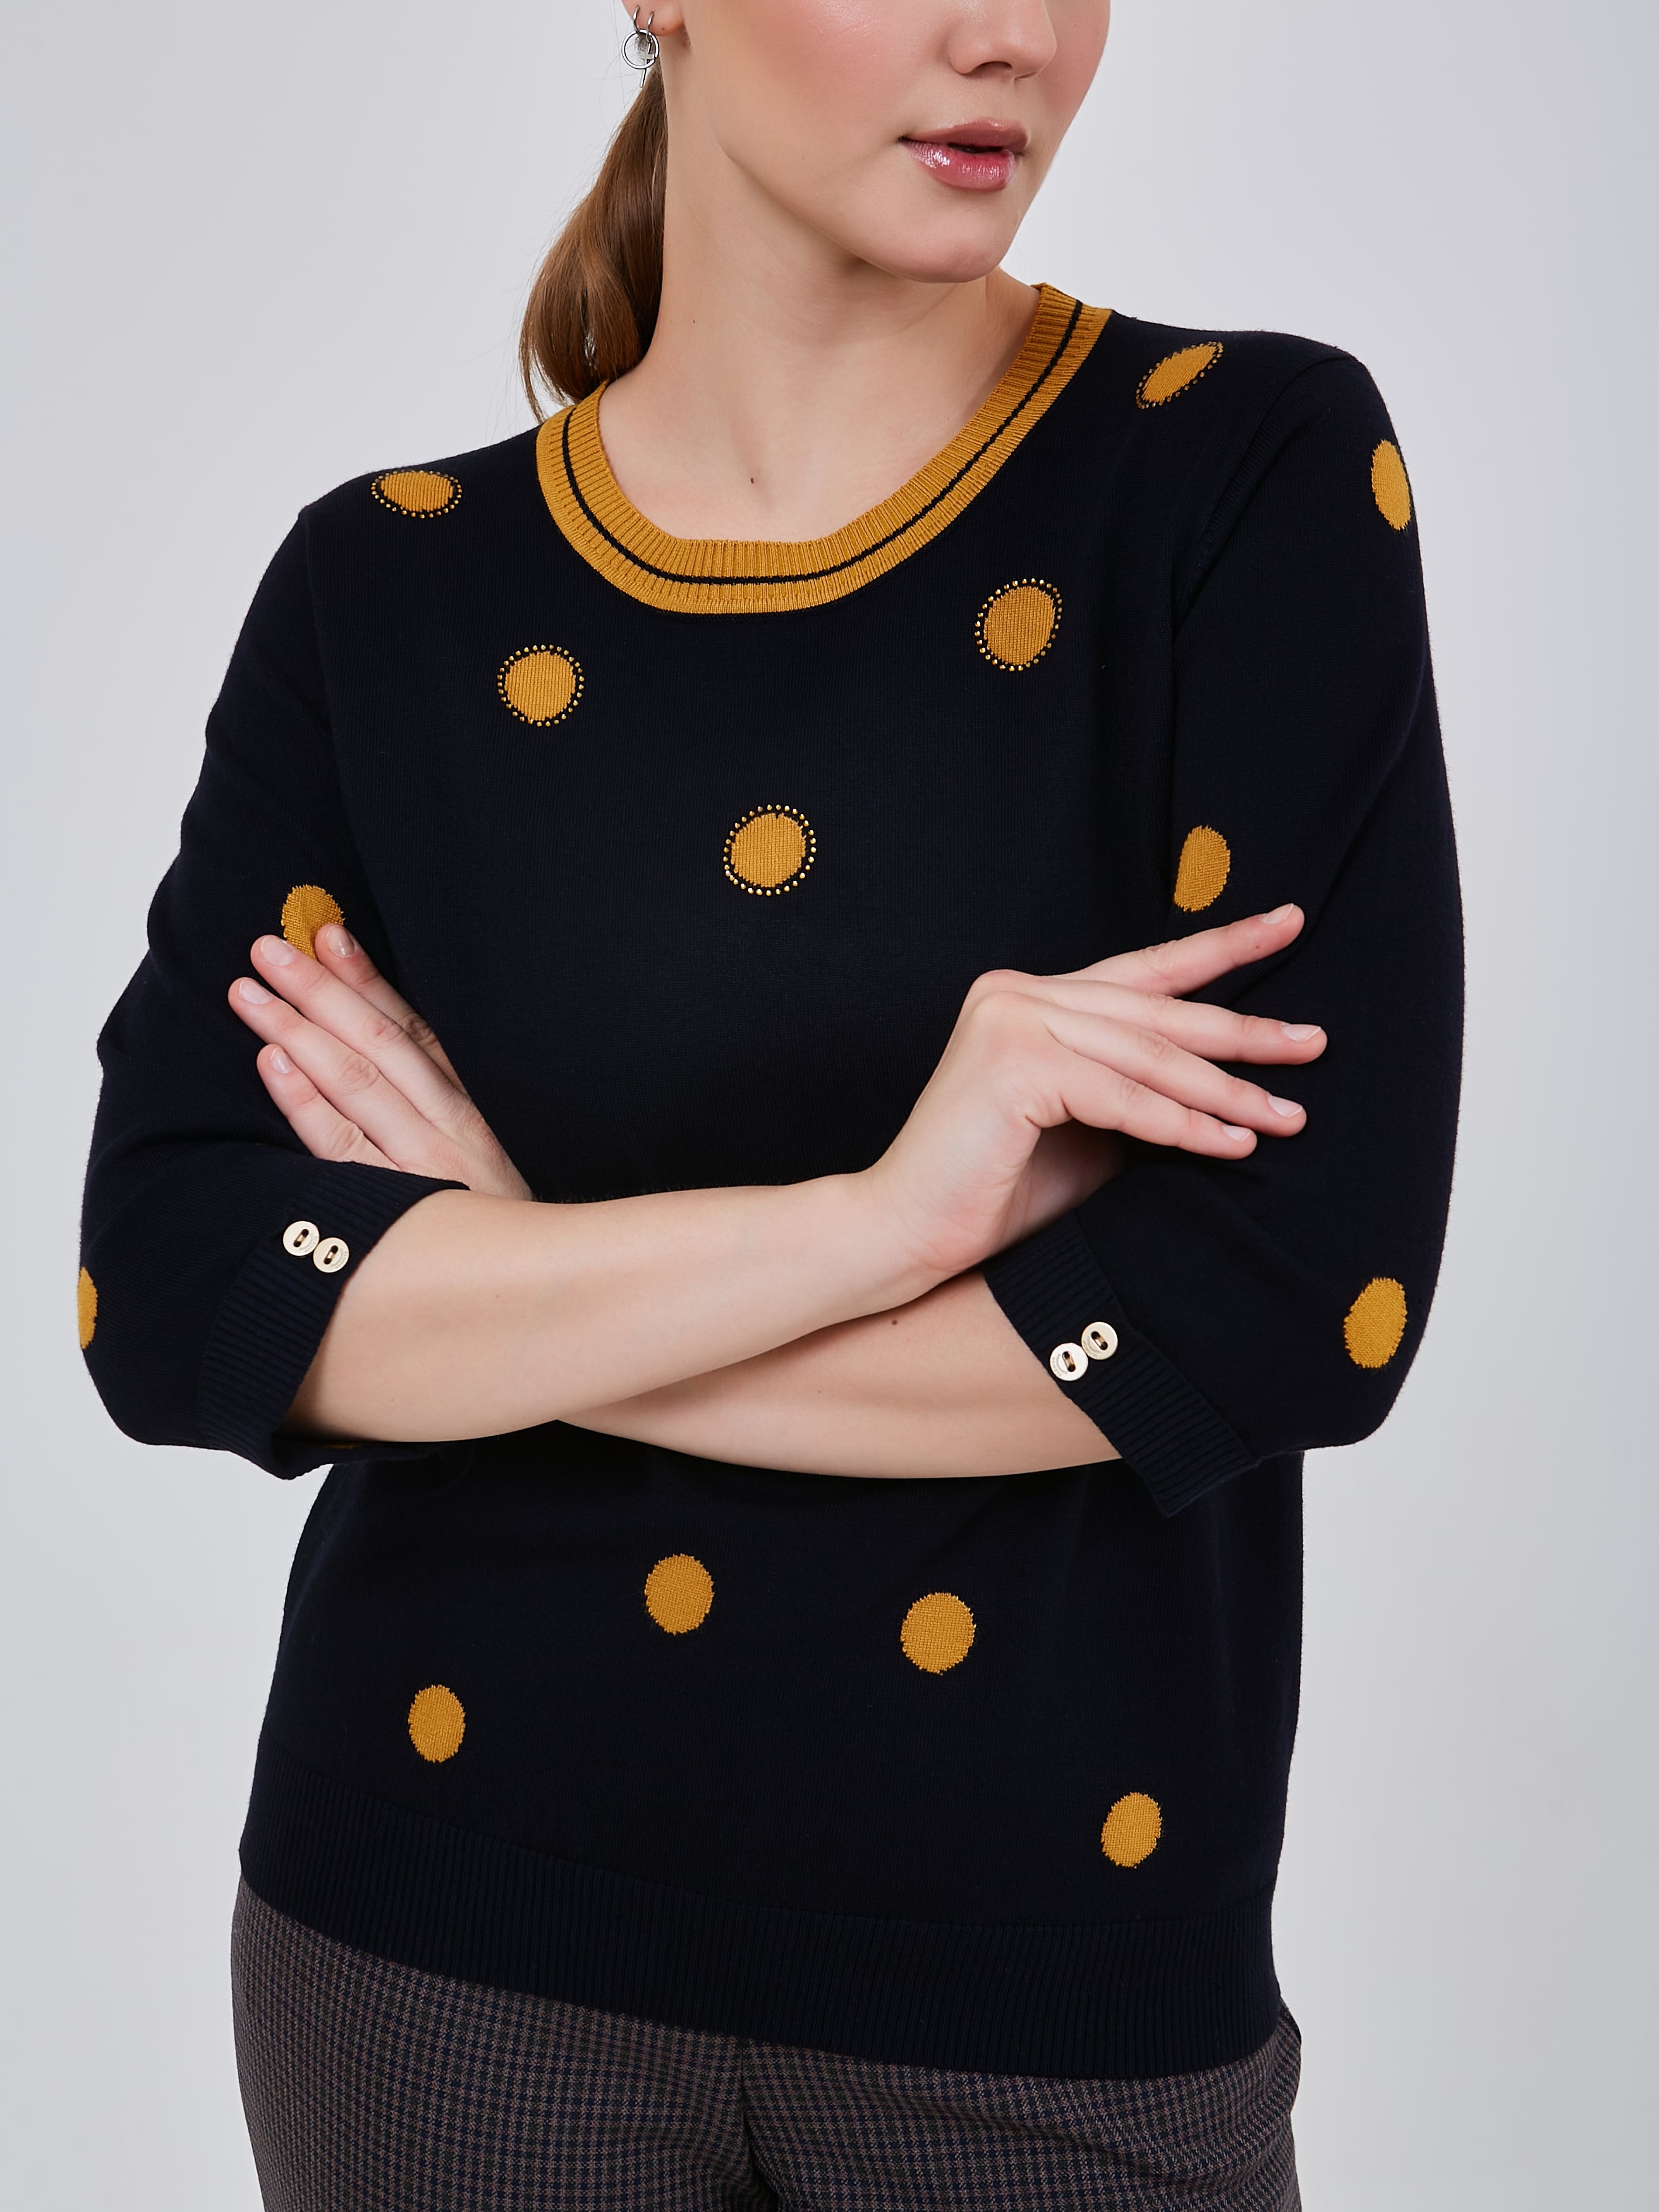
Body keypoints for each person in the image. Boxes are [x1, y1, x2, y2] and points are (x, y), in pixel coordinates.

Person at [78, 2, 1462, 2205]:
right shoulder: (386, 585)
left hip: (1054, 1997)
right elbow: (173, 1301)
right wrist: (881, 1221)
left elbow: (1291, 1311)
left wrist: (513, 1280)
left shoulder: (1239, 474)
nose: (1009, 34)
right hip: (428, 1951)